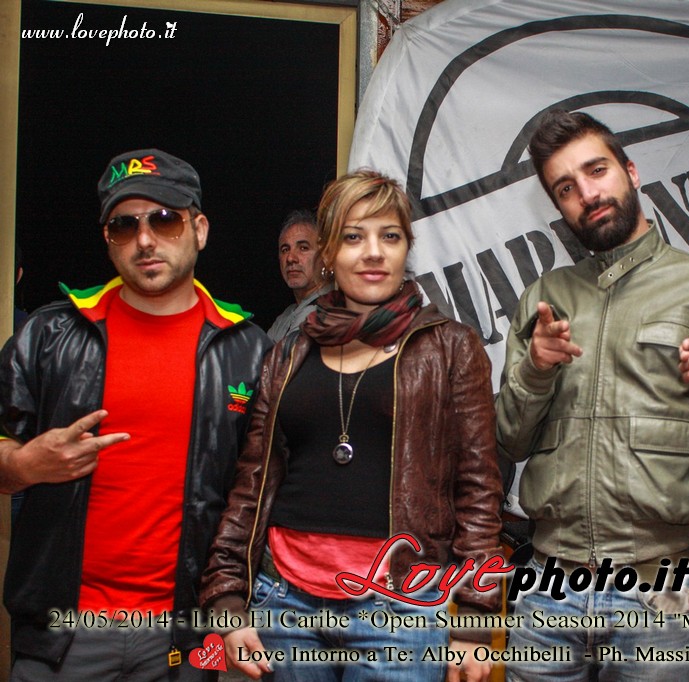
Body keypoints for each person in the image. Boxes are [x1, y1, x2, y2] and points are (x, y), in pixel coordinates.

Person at [495, 109, 689, 681]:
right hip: (548, 590)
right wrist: (536, 370)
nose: (586, 193)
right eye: (565, 188)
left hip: (658, 594)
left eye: (596, 170)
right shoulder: (545, 297)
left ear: (631, 171)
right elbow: (510, 440)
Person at [201, 169, 503, 682]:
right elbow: (252, 480)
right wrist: (227, 595)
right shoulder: (289, 351)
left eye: (390, 236)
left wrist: (474, 618)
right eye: (353, 237)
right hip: (284, 601)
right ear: (329, 254)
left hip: (400, 607)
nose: (373, 252)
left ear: (407, 248)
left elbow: (478, 487)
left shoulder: (450, 346)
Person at [0, 148, 271, 680]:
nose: (145, 240)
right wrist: (25, 465)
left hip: (183, 633)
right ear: (108, 240)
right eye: (124, 226)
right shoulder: (50, 335)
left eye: (164, 220)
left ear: (199, 229)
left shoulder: (249, 350)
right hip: (63, 634)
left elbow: (263, 491)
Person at [266, 209, 332, 342]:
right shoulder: (286, 316)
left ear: (326, 256)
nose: (290, 258)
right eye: (285, 250)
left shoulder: (332, 308)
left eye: (303, 248)